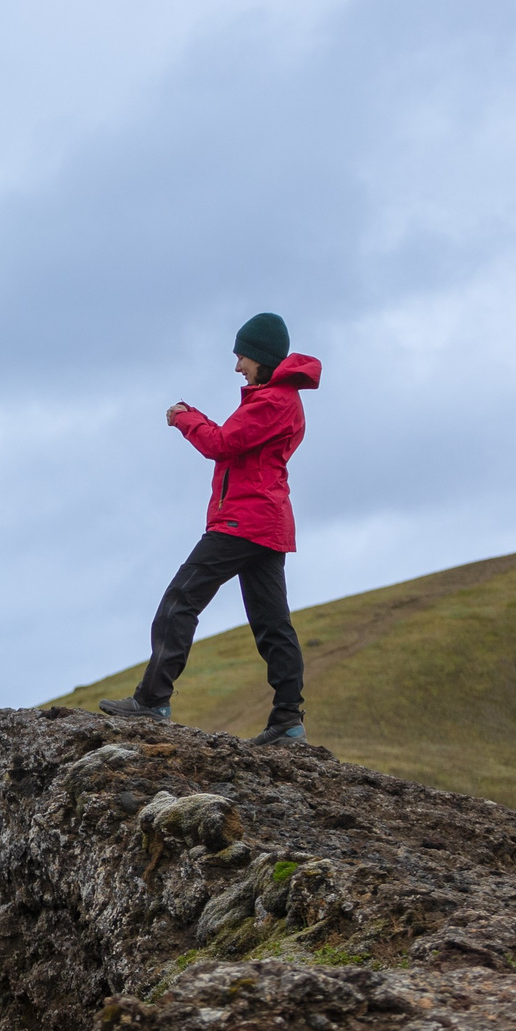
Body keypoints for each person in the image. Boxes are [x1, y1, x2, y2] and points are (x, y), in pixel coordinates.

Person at [99, 312, 322, 744]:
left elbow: (219, 443)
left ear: (261, 357)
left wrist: (185, 417)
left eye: (242, 357)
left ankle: (152, 700)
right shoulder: (278, 399)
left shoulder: (273, 401)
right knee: (272, 624)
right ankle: (287, 721)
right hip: (265, 524)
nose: (238, 366)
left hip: (242, 521)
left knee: (181, 600)